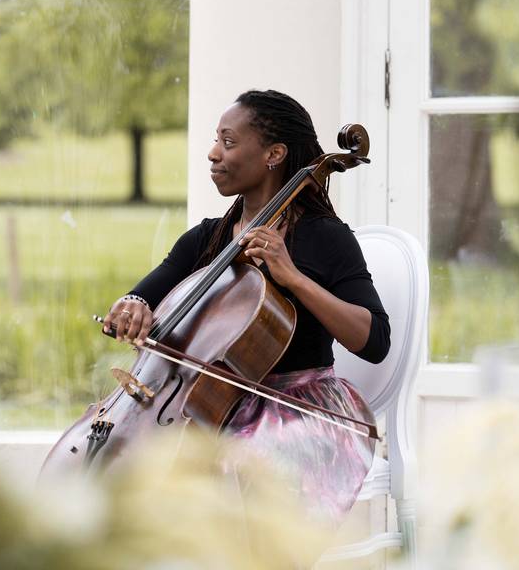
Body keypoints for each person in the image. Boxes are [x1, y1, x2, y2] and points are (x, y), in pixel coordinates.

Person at [102, 89, 391, 528]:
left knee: (223, 472)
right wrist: (132, 305)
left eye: (229, 142)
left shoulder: (325, 238)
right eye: (216, 141)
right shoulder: (208, 239)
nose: (213, 153)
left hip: (299, 412)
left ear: (274, 154)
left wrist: (292, 276)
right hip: (210, 404)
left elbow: (374, 340)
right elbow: (142, 295)